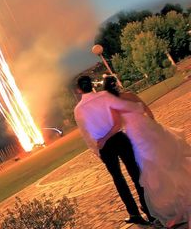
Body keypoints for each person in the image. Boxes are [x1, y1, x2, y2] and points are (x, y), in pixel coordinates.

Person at [98, 75, 191, 228]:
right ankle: (182, 193)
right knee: (166, 160)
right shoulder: (130, 95)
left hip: (136, 135)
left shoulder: (114, 104)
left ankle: (173, 202)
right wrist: (153, 125)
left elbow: (116, 126)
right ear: (117, 84)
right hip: (149, 128)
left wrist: (104, 138)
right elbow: (147, 109)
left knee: (151, 167)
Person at [73, 74, 152, 225]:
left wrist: (97, 151)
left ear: (78, 90)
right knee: (136, 173)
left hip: (104, 145)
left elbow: (86, 134)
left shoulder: (78, 109)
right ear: (92, 85)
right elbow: (122, 112)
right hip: (119, 138)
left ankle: (134, 213)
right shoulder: (105, 96)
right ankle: (149, 209)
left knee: (118, 179)